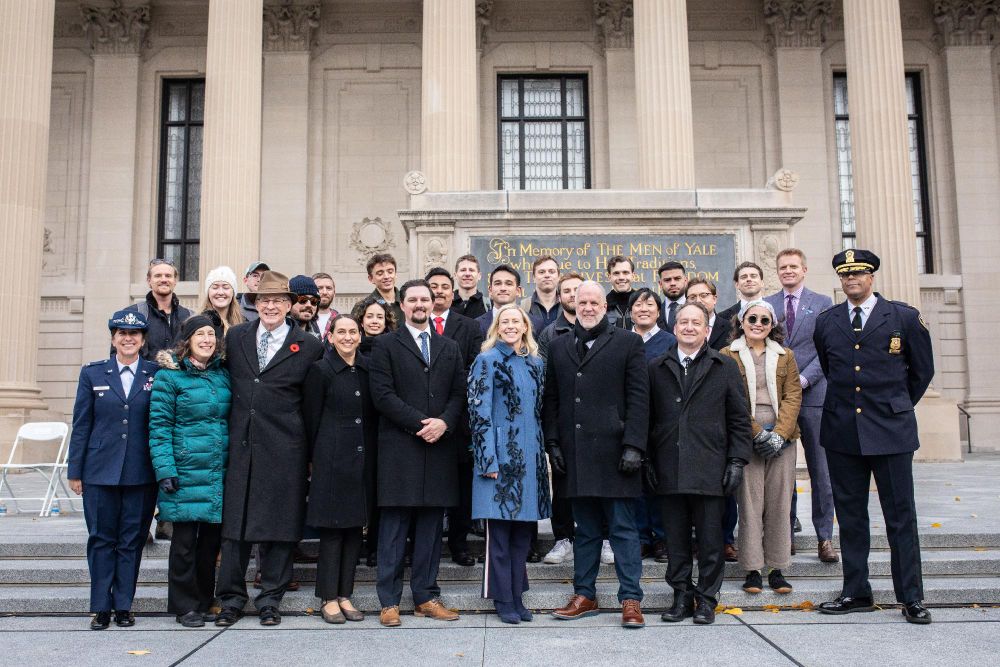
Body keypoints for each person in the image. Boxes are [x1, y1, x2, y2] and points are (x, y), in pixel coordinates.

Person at [814, 250, 934, 625]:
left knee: (901, 517)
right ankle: (856, 591)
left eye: (859, 274)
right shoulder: (828, 321)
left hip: (891, 432)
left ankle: (911, 597)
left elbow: (922, 372)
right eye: (846, 275)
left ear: (872, 277)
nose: (852, 280)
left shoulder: (903, 317)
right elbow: (833, 368)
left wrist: (896, 406)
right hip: (842, 432)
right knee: (850, 517)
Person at [214, 271, 324, 628]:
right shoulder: (237, 336)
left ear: (290, 305)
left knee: (280, 526)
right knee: (235, 527)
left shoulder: (308, 346)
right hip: (241, 445)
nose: (271, 306)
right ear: (255, 304)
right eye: (264, 300)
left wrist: (309, 454)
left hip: (286, 446)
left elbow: (311, 404)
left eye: (278, 300)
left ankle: (270, 599)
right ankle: (231, 599)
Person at [544, 281, 649, 629]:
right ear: (573, 303)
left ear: (606, 306)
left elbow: (638, 398)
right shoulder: (559, 347)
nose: (587, 307)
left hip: (616, 454)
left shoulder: (629, 342)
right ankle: (584, 594)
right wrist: (553, 443)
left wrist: (634, 445)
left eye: (594, 302)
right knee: (585, 530)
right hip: (575, 455)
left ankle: (631, 598)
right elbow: (553, 401)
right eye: (582, 301)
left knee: (622, 529)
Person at [369, 279, 467, 627]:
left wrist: (443, 423)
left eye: (426, 299)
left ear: (434, 302)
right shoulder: (384, 345)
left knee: (429, 528)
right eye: (413, 299)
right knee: (394, 528)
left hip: (438, 448)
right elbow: (382, 395)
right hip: (400, 447)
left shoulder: (449, 347)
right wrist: (420, 423)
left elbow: (459, 393)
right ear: (402, 304)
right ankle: (389, 601)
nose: (420, 304)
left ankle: (426, 596)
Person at [648, 302, 751, 625]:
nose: (689, 327)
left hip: (711, 467)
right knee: (675, 540)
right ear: (674, 328)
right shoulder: (656, 367)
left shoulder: (724, 366)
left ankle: (706, 598)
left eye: (696, 322)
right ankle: (681, 595)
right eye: (683, 322)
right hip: (669, 468)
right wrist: (648, 461)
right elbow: (646, 419)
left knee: (710, 541)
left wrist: (736, 461)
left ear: (707, 330)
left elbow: (739, 419)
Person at [67, 310, 159, 630]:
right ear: (113, 338)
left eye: (134, 334)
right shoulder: (93, 374)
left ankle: (123, 605)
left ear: (143, 340)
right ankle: (100, 606)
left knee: (131, 540)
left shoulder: (156, 374)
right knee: (101, 539)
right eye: (121, 333)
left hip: (141, 472)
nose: (128, 338)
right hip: (98, 471)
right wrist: (74, 470)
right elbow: (81, 425)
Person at [468, 304, 551, 623]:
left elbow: (538, 411)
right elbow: (478, 412)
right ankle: (502, 599)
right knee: (499, 533)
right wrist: (487, 457)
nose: (511, 326)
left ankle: (517, 595)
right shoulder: (486, 360)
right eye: (505, 321)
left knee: (522, 534)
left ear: (526, 326)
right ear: (497, 327)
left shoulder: (535, 364)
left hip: (528, 458)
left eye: (517, 321)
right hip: (499, 458)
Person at [148, 313, 231, 628]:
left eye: (211, 335)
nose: (207, 340)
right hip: (183, 471)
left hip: (215, 472)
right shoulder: (169, 377)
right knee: (184, 545)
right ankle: (184, 605)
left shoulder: (222, 374)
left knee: (210, 544)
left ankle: (204, 598)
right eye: (201, 335)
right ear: (188, 341)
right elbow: (159, 427)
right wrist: (164, 468)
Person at [720, 301, 801, 596]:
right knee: (750, 503)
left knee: (780, 502)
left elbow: (793, 395)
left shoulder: (785, 356)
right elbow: (731, 400)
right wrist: (757, 434)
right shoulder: (727, 356)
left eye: (764, 320)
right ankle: (752, 568)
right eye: (752, 318)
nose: (758, 323)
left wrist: (779, 434)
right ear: (741, 322)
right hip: (745, 434)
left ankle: (777, 567)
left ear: (772, 325)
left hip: (784, 436)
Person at [302, 314, 377, 624]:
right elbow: (311, 419)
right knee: (333, 531)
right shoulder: (320, 371)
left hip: (361, 461)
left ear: (360, 336)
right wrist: (313, 461)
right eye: (341, 332)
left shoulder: (368, 369)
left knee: (353, 531)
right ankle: (328, 597)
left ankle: (345, 593)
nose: (347, 337)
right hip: (331, 461)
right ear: (329, 337)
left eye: (353, 332)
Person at [765, 248, 838, 563]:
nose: (788, 271)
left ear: (804, 270)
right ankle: (786, 535)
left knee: (821, 470)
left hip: (814, 398)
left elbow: (827, 351)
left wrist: (804, 381)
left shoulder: (822, 304)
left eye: (793, 266)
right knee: (782, 471)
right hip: (778, 400)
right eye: (783, 267)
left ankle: (824, 537)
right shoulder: (768, 304)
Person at [426, 267, 485, 567]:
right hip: (422, 421)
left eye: (444, 287)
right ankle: (429, 544)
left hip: (459, 419)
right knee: (430, 487)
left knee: (462, 488)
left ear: (453, 292)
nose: (439, 291)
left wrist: (450, 411)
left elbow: (473, 370)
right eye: (433, 286)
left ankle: (460, 544)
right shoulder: (415, 327)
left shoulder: (470, 326)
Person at [685, 278, 737, 561]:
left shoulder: (727, 347)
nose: (698, 299)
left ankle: (726, 540)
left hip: (715, 435)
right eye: (692, 295)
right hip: (684, 439)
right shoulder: (668, 357)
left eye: (703, 295)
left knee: (720, 500)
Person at [537, 272, 582, 565]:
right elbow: (544, 383)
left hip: (596, 424)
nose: (572, 296)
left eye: (577, 290)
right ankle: (563, 538)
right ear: (560, 296)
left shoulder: (610, 331)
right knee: (563, 486)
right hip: (564, 422)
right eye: (567, 291)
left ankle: (602, 538)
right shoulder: (549, 334)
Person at [628, 288, 675, 562]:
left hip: (661, 422)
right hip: (631, 422)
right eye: (638, 305)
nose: (643, 309)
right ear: (631, 310)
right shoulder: (621, 339)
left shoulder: (669, 341)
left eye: (649, 305)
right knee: (635, 482)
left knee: (659, 481)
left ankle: (662, 538)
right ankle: (642, 537)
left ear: (658, 311)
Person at [124, 258, 192, 361]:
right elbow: (119, 354)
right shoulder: (132, 314)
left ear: (175, 281)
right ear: (149, 281)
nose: (164, 279)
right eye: (158, 276)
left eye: (168, 276)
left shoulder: (189, 317)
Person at [476, 264, 541, 335]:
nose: (503, 288)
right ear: (490, 290)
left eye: (509, 284)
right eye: (498, 284)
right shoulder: (476, 325)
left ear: (518, 291)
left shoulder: (535, 324)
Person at [356, 253, 404, 326]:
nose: (386, 276)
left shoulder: (408, 301)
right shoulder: (362, 306)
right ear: (371, 279)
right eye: (380, 273)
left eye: (390, 272)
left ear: (395, 274)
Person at [200, 265, 245, 334]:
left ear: (233, 293)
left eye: (226, 287)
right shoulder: (196, 324)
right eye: (215, 287)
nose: (220, 292)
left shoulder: (244, 324)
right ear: (208, 292)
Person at [520, 255, 562, 329]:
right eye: (541, 272)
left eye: (551, 272)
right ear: (534, 277)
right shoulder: (523, 307)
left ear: (559, 277)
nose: (547, 275)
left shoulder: (567, 305)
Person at [452, 254, 488, 320]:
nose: (467, 274)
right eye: (463, 270)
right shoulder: (447, 304)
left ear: (479, 276)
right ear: (455, 275)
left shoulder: (489, 306)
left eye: (471, 270)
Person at [605, 255, 637, 329]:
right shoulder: (602, 306)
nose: (621, 277)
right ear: (609, 277)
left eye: (625, 272)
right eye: (616, 273)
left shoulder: (643, 304)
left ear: (633, 276)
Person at [655, 261, 688, 331]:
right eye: (667, 280)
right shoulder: (655, 312)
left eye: (677, 279)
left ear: (685, 280)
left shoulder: (698, 307)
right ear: (660, 284)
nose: (672, 283)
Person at [289, 275, 322, 339]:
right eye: (303, 299)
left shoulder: (316, 335)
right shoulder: (278, 334)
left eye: (314, 301)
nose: (309, 305)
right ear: (289, 303)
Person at [312, 272, 339, 338]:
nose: (325, 292)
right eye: (319, 288)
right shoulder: (303, 318)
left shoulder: (340, 320)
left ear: (334, 293)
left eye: (329, 288)